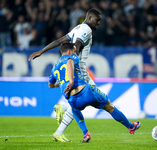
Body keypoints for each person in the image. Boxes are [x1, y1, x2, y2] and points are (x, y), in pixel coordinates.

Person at [28, 8, 102, 142]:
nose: (98, 24)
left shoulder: (77, 28)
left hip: (75, 69)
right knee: (98, 99)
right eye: (97, 21)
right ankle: (129, 126)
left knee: (86, 101)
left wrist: (42, 51)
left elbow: (59, 41)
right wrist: (73, 61)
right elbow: (77, 46)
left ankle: (63, 128)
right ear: (90, 18)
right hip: (79, 71)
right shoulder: (85, 30)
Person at [48, 42, 141, 142]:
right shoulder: (72, 57)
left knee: (74, 109)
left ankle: (86, 134)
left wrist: (61, 83)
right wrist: (71, 81)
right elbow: (69, 62)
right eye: (74, 51)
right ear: (70, 51)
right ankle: (131, 127)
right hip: (86, 92)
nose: (75, 53)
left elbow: (50, 85)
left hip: (73, 99)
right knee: (109, 106)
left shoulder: (54, 69)